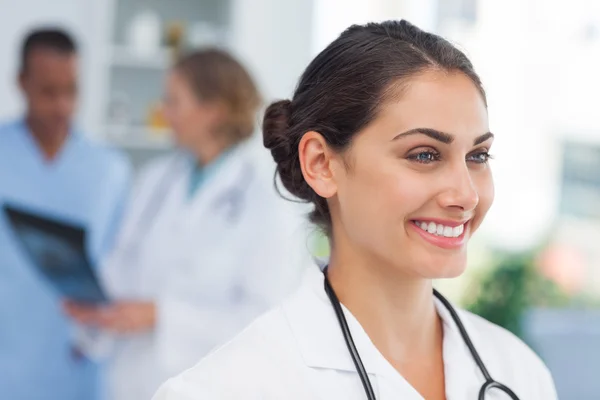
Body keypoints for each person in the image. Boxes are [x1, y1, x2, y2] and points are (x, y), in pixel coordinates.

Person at [152, 20, 559, 400]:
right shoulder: (221, 389)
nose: (466, 195)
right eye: (424, 154)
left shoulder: (519, 372)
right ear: (321, 164)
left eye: (478, 156)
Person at [64, 49, 312, 400]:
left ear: (213, 111)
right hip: (133, 381)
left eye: (174, 101)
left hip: (209, 386)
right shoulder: (156, 180)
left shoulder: (264, 199)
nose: (164, 113)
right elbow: (123, 261)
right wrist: (94, 305)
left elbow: (263, 318)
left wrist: (161, 316)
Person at [0, 28, 131, 399]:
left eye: (72, 91)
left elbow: (123, 266)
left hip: (79, 365)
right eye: (48, 92)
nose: (62, 106)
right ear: (21, 83)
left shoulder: (109, 169)